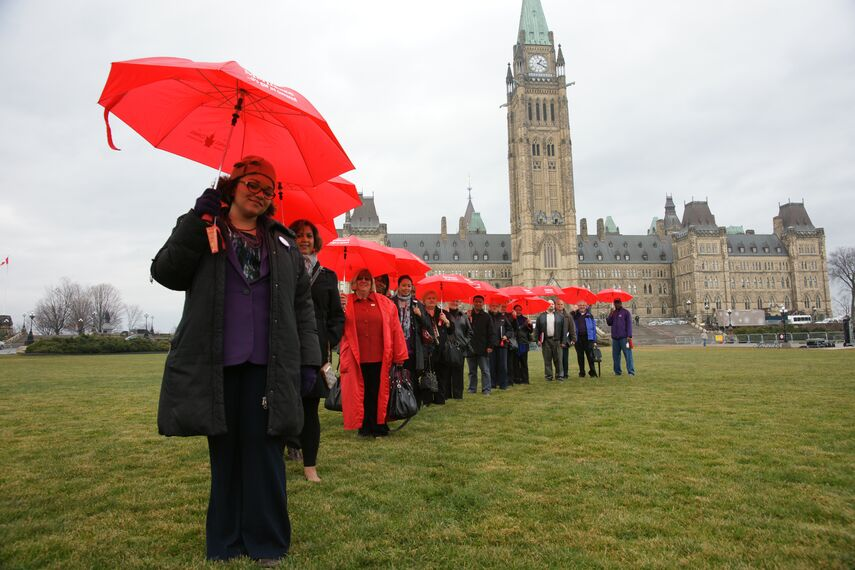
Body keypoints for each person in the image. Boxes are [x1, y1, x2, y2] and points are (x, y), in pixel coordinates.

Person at [151, 156, 321, 564]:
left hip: (268, 364)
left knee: (266, 451)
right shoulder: (203, 225)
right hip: (219, 363)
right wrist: (196, 221)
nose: (260, 194)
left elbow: (302, 307)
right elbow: (166, 272)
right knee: (224, 453)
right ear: (233, 185)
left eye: (268, 189)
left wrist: (309, 361)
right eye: (253, 185)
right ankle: (224, 541)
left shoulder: (282, 244)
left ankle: (267, 541)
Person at [288, 219, 344, 483]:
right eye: (298, 236)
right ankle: (285, 450)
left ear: (315, 241)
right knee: (282, 405)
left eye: (308, 236)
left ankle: (310, 465)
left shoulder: (328, 276)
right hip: (285, 348)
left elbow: (337, 316)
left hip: (315, 352)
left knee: (310, 410)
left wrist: (328, 340)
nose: (304, 240)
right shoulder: (281, 271)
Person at [339, 269, 408, 436]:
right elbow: (336, 328)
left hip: (379, 357)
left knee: (378, 392)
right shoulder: (344, 302)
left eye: (367, 279)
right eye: (360, 278)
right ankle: (363, 426)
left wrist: (400, 355)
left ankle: (379, 424)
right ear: (353, 284)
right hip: (356, 357)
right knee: (359, 393)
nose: (364, 281)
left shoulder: (384, 303)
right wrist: (339, 309)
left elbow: (395, 329)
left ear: (371, 283)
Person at [390, 275, 432, 404]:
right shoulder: (391, 302)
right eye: (404, 285)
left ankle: (413, 402)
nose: (406, 288)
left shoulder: (417, 303)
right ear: (398, 286)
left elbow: (428, 325)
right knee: (395, 376)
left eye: (409, 285)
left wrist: (420, 315)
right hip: (395, 346)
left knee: (412, 376)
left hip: (412, 347)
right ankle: (397, 402)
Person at [422, 290, 454, 405]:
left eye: (433, 298)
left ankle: (440, 398)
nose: (431, 300)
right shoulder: (421, 312)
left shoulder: (442, 313)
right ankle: (427, 399)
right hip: (426, 349)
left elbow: (452, 330)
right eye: (429, 298)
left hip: (441, 350)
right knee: (427, 374)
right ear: (424, 300)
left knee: (441, 375)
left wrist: (446, 321)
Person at [467, 295, 497, 394]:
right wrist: (466, 318)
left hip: (483, 347)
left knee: (485, 370)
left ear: (483, 303)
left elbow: (491, 333)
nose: (478, 303)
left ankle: (486, 389)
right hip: (471, 347)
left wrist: (490, 346)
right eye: (476, 301)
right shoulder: (468, 315)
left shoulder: (487, 317)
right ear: (473, 302)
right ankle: (472, 389)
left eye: (480, 302)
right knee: (472, 371)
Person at [535, 300, 571, 381]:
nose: (550, 305)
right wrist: (537, 340)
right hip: (546, 341)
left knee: (558, 359)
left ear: (554, 305)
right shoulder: (541, 317)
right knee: (547, 359)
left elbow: (564, 330)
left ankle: (559, 376)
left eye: (552, 304)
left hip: (557, 341)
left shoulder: (560, 316)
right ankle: (548, 376)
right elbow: (537, 329)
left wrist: (563, 341)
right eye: (549, 304)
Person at [445, 299, 473, 399]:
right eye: (453, 301)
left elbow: (470, 332)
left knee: (458, 372)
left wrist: (464, 342)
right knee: (447, 371)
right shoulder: (444, 314)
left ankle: (457, 395)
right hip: (447, 347)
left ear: (459, 303)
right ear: (448, 301)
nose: (454, 303)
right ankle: (447, 394)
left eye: (456, 301)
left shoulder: (463, 316)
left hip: (460, 348)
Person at [606, 299, 635, 376]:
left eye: (618, 303)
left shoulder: (626, 312)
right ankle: (617, 372)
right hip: (615, 338)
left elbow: (629, 325)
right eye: (615, 303)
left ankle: (631, 371)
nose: (616, 304)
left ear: (621, 303)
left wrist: (629, 335)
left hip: (624, 338)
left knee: (628, 355)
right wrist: (610, 313)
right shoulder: (613, 313)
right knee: (615, 356)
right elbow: (609, 322)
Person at [570, 300, 598, 378]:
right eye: (580, 305)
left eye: (583, 305)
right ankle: (582, 372)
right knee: (580, 356)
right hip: (578, 339)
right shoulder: (575, 315)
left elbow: (593, 328)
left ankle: (592, 372)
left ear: (586, 306)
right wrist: (572, 311)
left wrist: (594, 340)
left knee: (590, 356)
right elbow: (568, 319)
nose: (582, 306)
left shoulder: (590, 315)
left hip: (588, 338)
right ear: (578, 306)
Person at [489, 303, 511, 390]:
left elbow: (510, 330)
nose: (494, 307)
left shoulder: (503, 317)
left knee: (503, 366)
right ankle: (492, 384)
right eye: (493, 306)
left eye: (496, 306)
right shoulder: (487, 317)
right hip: (491, 345)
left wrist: (507, 336)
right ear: (490, 307)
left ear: (499, 307)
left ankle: (503, 384)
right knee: (491, 366)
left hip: (502, 345)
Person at [510, 304, 533, 384]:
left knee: (523, 362)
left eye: (520, 309)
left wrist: (529, 324)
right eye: (517, 309)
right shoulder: (511, 319)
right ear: (514, 310)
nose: (518, 311)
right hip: (515, 343)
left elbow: (530, 331)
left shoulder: (525, 319)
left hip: (523, 343)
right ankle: (517, 379)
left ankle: (525, 379)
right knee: (515, 362)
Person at [555, 299, 571, 380]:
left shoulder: (567, 316)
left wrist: (573, 339)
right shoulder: (553, 315)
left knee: (564, 358)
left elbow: (572, 328)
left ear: (563, 305)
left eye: (561, 304)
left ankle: (565, 373)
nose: (560, 306)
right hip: (556, 340)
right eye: (558, 304)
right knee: (557, 359)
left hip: (565, 340)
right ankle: (558, 373)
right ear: (555, 305)